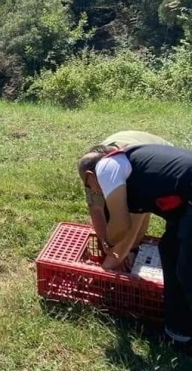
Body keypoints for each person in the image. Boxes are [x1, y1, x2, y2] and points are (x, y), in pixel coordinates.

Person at [78, 143, 192, 349]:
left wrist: (108, 242)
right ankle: (179, 334)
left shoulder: (106, 167)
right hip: (185, 205)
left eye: (88, 185)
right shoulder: (127, 164)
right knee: (170, 251)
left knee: (188, 271)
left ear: (90, 175)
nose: (93, 191)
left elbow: (122, 224)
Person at [85, 131, 173, 269]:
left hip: (166, 160)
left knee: (132, 212)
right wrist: (105, 243)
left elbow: (129, 222)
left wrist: (109, 265)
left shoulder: (114, 169)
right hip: (140, 154)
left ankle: (132, 249)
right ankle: (130, 250)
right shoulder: (92, 164)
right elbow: (96, 209)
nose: (96, 191)